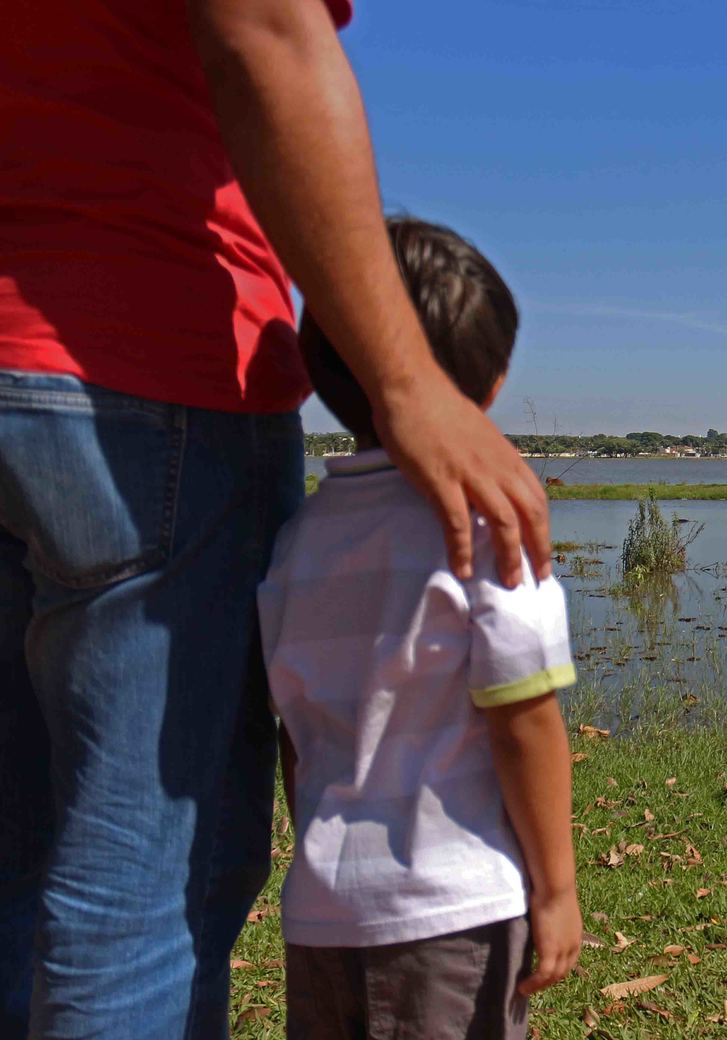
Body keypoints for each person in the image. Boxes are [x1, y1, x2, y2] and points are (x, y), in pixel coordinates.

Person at [0, 3, 550, 1035]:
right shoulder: (472, 543)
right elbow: (262, 27)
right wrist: (407, 378)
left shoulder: (312, 545)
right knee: (141, 893)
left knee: (18, 860)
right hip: (140, 364)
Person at [259, 217, 581, 1039]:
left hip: (322, 915)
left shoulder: (298, 538)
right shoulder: (490, 525)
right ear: (495, 384)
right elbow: (525, 720)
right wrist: (555, 889)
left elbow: (293, 734)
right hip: (456, 913)